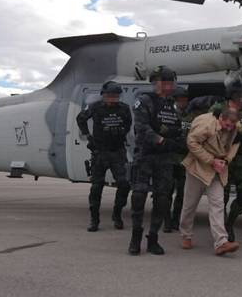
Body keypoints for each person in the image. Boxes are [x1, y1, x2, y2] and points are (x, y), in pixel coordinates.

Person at [129, 65, 185, 255]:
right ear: (156, 83)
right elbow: (142, 128)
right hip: (145, 155)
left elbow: (177, 130)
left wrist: (178, 143)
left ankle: (153, 238)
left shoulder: (172, 106)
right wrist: (161, 140)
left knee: (162, 199)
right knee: (139, 195)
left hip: (165, 159)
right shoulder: (144, 101)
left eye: (171, 83)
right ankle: (135, 238)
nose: (169, 87)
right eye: (165, 83)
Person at [179, 108, 241, 256]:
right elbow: (191, 142)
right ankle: (186, 235)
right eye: (227, 125)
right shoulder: (206, 125)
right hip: (198, 168)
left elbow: (235, 144)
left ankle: (221, 242)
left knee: (218, 204)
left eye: (232, 126)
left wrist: (225, 161)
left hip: (218, 169)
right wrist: (211, 161)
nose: (229, 128)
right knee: (189, 205)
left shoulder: (236, 127)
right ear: (221, 118)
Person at [76, 81, 131, 232]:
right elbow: (80, 119)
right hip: (100, 152)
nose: (112, 99)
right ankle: (94, 220)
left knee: (124, 184)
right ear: (103, 96)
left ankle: (117, 214)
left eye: (115, 96)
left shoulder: (124, 108)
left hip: (118, 151)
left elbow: (128, 124)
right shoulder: (95, 107)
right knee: (96, 187)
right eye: (109, 96)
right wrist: (88, 136)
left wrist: (120, 134)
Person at [210, 80, 242, 242]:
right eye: (241, 97)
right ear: (233, 95)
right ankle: (222, 230)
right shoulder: (217, 109)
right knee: (222, 196)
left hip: (241, 159)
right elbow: (209, 127)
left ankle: (230, 221)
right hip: (222, 158)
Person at [165, 86, 191, 233]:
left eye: (184, 100)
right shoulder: (168, 114)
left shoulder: (190, 116)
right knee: (167, 192)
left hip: (184, 160)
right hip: (169, 159)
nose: (182, 102)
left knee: (182, 193)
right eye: (180, 100)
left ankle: (176, 220)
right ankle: (167, 221)